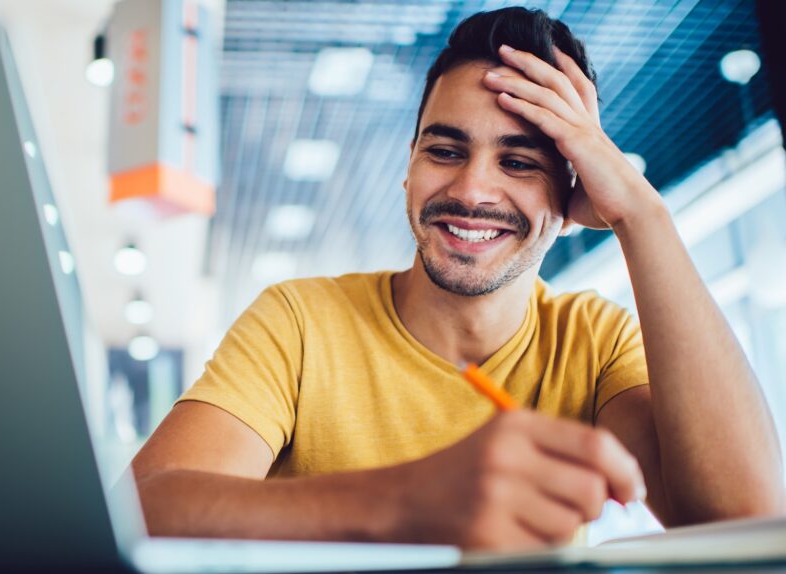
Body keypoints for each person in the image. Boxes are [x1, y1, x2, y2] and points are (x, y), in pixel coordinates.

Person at [131, 7, 785, 550]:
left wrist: (642, 216)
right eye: (444, 151)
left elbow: (743, 523)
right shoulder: (301, 322)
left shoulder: (593, 343)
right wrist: (409, 500)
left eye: (520, 162)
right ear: (409, 169)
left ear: (570, 198)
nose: (472, 189)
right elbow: (143, 511)